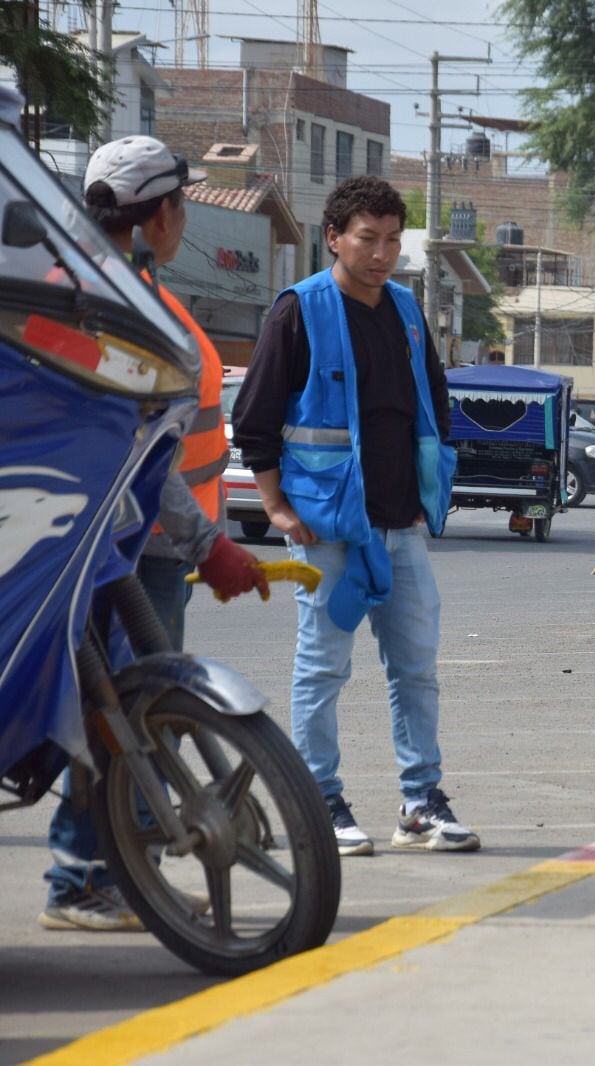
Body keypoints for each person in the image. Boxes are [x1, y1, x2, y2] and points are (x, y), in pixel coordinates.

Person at [40, 135, 269, 932]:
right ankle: (83, 880)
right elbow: (135, 445)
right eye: (182, 204)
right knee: (116, 713)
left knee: (120, 710)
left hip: (137, 540)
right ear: (159, 219)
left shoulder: (97, 288)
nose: (184, 219)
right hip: (130, 544)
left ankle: (116, 873)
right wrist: (211, 544)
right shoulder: (111, 305)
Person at [232, 175, 477, 855]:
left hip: (400, 528)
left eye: (393, 240)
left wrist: (427, 496)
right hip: (329, 530)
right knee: (323, 668)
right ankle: (320, 801)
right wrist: (275, 507)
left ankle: (421, 802)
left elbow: (433, 403)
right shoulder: (299, 310)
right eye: (368, 238)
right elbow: (254, 420)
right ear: (333, 238)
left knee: (417, 669)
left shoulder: (405, 310)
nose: (382, 253)